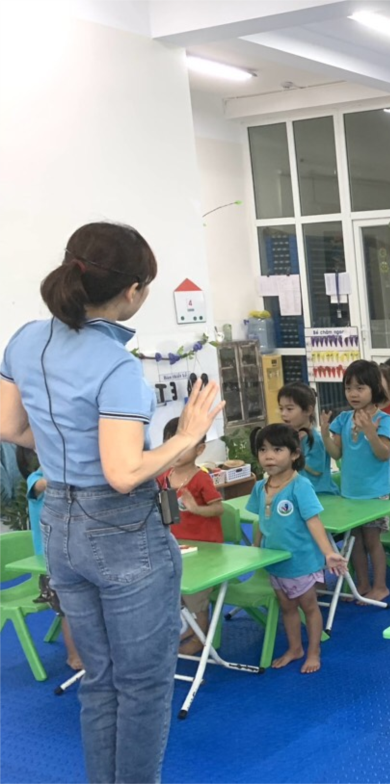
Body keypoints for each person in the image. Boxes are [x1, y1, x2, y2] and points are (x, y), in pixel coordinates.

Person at [0, 222, 223, 783]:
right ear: (132, 290)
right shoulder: (116, 365)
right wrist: (185, 436)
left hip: (59, 525)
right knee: (143, 687)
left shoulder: (24, 339)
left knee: (99, 681)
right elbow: (123, 474)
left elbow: (9, 427)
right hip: (121, 532)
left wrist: (67, 449)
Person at [246, 424, 347, 674]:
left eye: (277, 449)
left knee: (309, 607)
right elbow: (261, 520)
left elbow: (314, 521)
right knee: (287, 607)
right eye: (263, 450)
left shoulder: (300, 486)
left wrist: (328, 552)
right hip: (275, 562)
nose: (269, 456)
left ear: (294, 454)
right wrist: (256, 547)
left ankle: (313, 651)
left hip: (301, 561)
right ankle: (295, 648)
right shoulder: (260, 487)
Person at [322, 360, 390, 602]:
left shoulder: (385, 420)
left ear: (374, 388)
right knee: (355, 541)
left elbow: (384, 454)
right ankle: (362, 583)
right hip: (350, 492)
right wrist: (324, 434)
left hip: (374, 492)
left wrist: (371, 433)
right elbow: (336, 453)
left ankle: (380, 586)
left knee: (373, 540)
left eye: (360, 388)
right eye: (348, 388)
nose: (353, 394)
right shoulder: (343, 419)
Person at [158, 417, 224, 657]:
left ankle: (200, 638)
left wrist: (195, 508)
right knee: (178, 593)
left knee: (197, 597)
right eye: (171, 444)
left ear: (200, 449)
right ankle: (191, 629)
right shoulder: (163, 476)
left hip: (205, 549)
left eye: (183, 446)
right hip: (177, 546)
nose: (176, 451)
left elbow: (218, 508)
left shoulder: (201, 478)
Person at [20, 446, 83, 671]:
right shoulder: (35, 480)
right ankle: (74, 656)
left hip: (76, 557)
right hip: (51, 564)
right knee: (67, 611)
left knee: (84, 607)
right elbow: (42, 485)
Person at [277, 383, 337, 497]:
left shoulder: (315, 439)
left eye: (289, 409)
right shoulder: (291, 438)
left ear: (308, 410)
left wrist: (291, 455)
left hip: (320, 495)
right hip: (301, 494)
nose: (283, 414)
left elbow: (316, 470)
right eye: (281, 408)